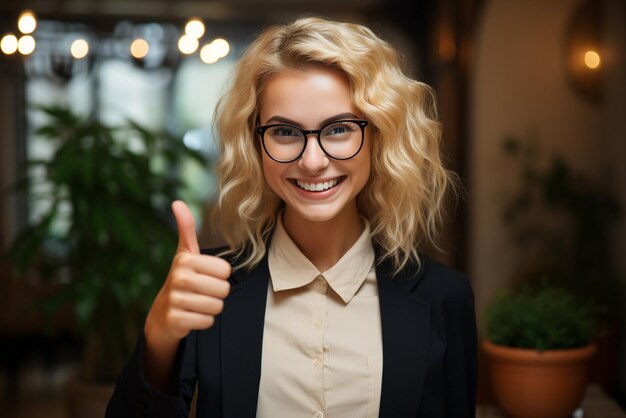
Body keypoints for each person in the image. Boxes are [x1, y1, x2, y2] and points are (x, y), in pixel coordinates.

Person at [106, 16, 477, 418]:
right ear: (256, 143)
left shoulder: (443, 298)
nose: (313, 161)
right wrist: (159, 335)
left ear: (376, 136)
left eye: (338, 129)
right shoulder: (210, 291)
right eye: (284, 133)